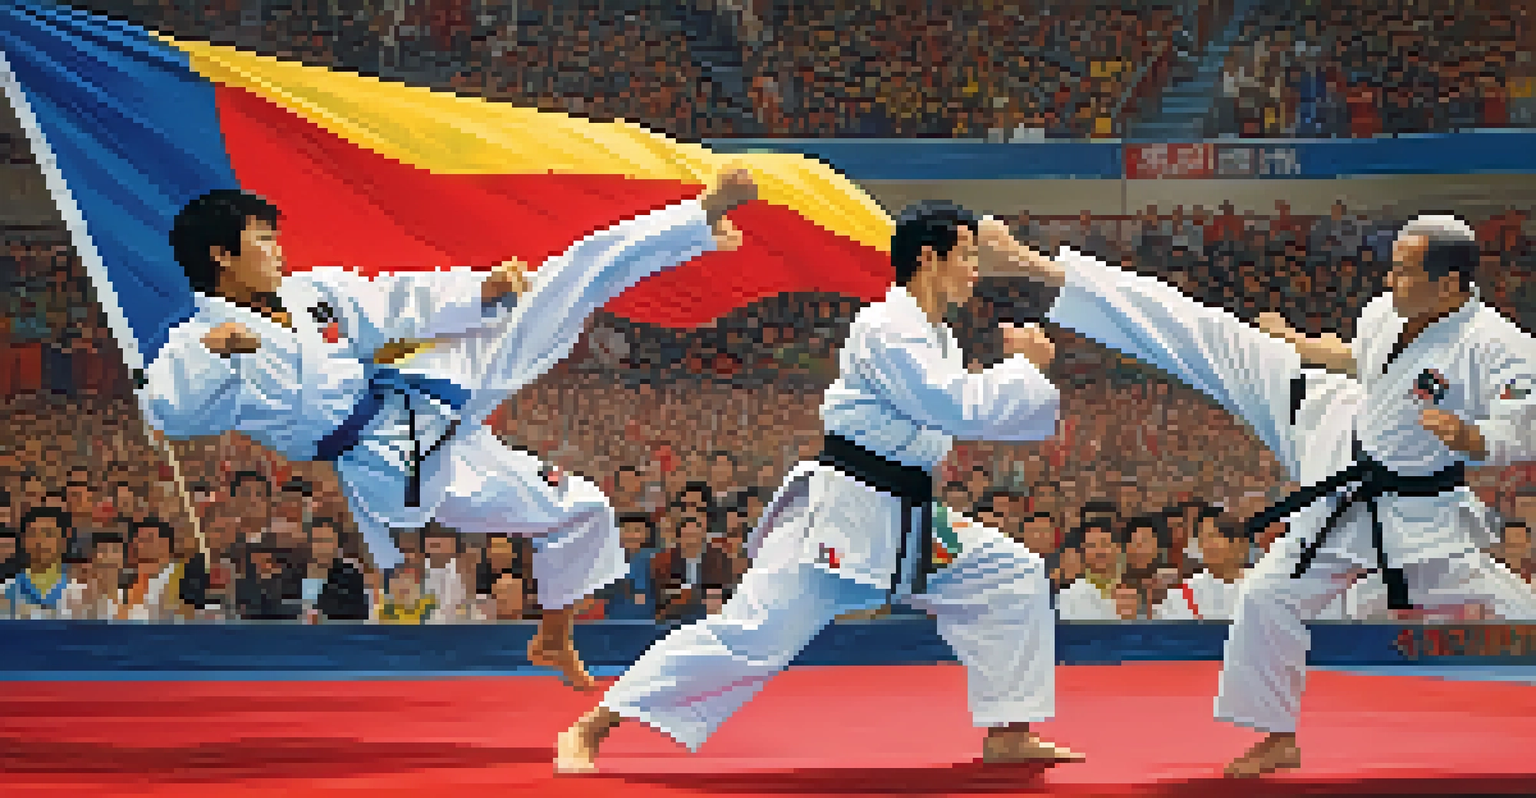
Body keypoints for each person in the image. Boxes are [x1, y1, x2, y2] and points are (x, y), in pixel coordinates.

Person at [142, 171, 757, 687]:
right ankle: (688, 227)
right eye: (261, 240)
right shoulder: (197, 339)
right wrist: (217, 353)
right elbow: (167, 413)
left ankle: (553, 637)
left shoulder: (312, 294)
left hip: (418, 402)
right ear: (222, 256)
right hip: (386, 462)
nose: (278, 250)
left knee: (579, 502)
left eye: (276, 238)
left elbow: (395, 299)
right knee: (517, 337)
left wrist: (478, 291)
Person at [1003, 213, 1536, 778]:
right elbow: (1364, 366)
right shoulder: (1386, 314)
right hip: (1340, 455)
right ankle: (1276, 737)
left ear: (1450, 283)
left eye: (1404, 272)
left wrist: (1474, 437)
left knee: (1507, 608)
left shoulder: (1500, 346)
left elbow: (1524, 423)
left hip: (1417, 515)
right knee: (1267, 597)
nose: (1389, 282)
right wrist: (1299, 343)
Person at [556, 203, 1079, 773]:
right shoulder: (886, 328)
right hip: (844, 516)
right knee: (747, 635)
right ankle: (590, 728)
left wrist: (1021, 367)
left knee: (1011, 575)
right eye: (968, 256)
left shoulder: (936, 336)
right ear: (929, 258)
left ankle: (1009, 730)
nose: (976, 270)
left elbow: (955, 403)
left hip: (911, 516)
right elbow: (957, 406)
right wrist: (1024, 367)